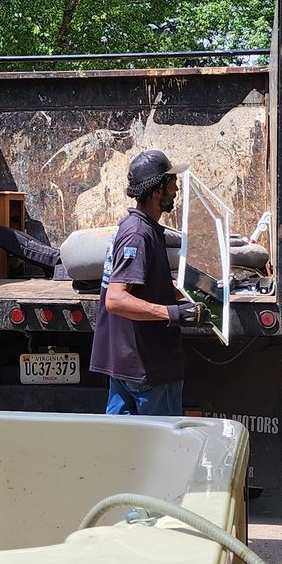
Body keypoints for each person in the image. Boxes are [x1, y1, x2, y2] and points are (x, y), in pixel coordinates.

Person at [90, 149, 194, 417]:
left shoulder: (139, 228)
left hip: (128, 365)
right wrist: (172, 313)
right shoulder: (138, 235)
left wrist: (189, 296)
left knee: (122, 450)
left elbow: (145, 283)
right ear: (158, 190)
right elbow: (115, 299)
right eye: (171, 181)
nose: (176, 187)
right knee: (162, 449)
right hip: (148, 369)